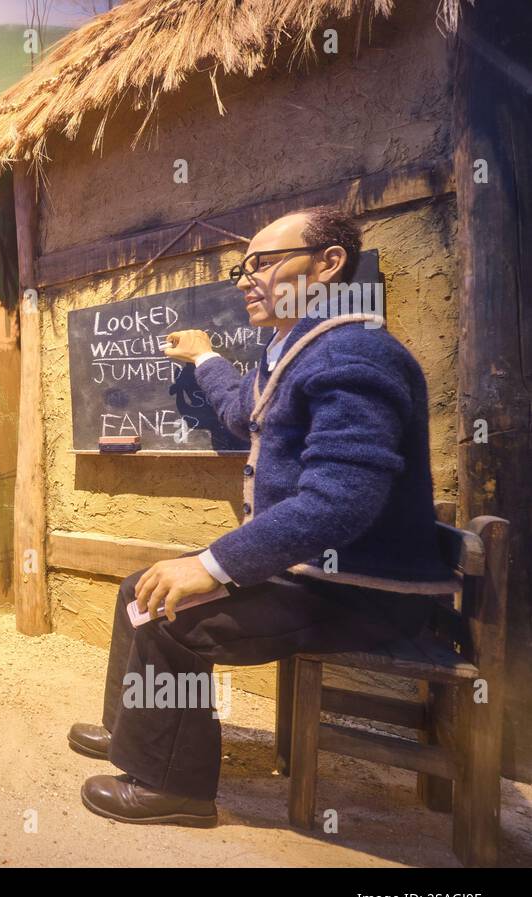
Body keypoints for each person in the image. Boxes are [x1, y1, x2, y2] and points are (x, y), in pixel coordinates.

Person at [67, 206, 456, 828]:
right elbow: (240, 408)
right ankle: (133, 733)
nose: (247, 279)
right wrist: (203, 358)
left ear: (328, 265)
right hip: (314, 575)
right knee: (138, 588)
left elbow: (341, 499)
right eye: (243, 267)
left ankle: (173, 788)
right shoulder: (297, 352)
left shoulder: (355, 355)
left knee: (172, 619)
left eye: (264, 263)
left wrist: (214, 565)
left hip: (359, 590)